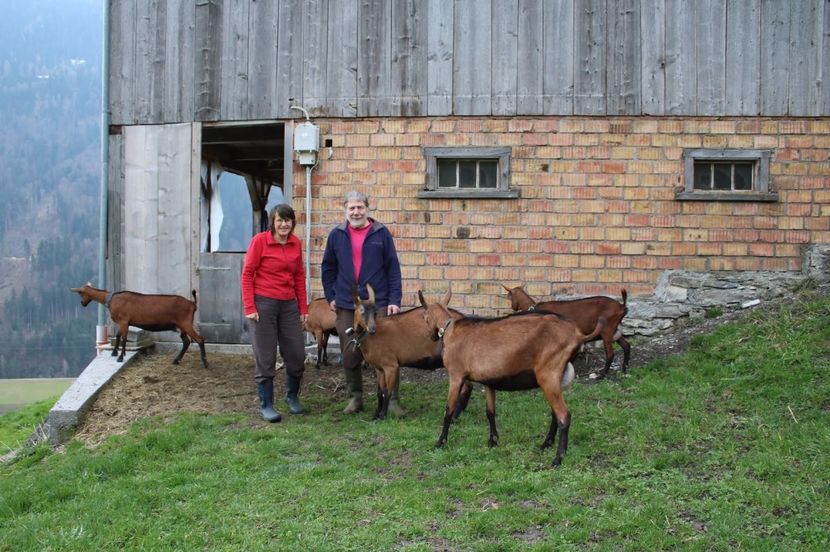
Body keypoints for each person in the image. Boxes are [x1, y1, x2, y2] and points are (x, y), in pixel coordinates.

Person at [321, 191, 403, 414]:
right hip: (348, 304)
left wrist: (395, 299)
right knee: (350, 351)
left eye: (360, 207)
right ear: (345, 210)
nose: (356, 212)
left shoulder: (381, 233)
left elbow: (393, 268)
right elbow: (328, 268)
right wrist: (331, 296)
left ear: (367, 209)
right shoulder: (336, 235)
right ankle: (355, 397)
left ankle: (391, 399)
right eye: (351, 208)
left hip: (379, 303)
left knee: (386, 352)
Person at [241, 204, 308, 422]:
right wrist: (250, 307)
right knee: (266, 356)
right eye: (280, 220)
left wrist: (303, 308)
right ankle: (267, 404)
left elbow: (299, 276)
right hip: (264, 304)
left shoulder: (295, 243)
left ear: (293, 223)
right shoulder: (260, 241)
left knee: (297, 355)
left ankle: (292, 396)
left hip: (288, 304)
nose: (284, 224)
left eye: (288, 220)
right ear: (272, 222)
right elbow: (247, 274)